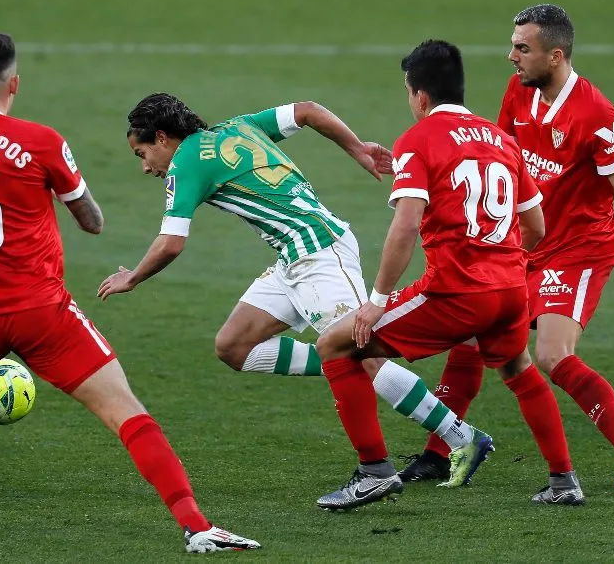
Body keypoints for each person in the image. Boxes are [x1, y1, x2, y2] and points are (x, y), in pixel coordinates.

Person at [0, 31, 259, 553]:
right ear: (14, 84)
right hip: (43, 313)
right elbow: (92, 221)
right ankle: (198, 527)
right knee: (125, 410)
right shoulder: (42, 140)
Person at [98, 93, 495, 496]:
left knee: (364, 357)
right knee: (234, 346)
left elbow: (170, 243)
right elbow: (306, 110)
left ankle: (459, 437)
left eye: (142, 153)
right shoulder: (237, 127)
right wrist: (356, 147)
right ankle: (340, 364)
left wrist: (132, 278)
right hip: (293, 258)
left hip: (319, 255)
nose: (146, 166)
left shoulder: (184, 163)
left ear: (162, 137)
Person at [403, 4, 614, 491]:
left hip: (578, 250)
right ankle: (436, 455)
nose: (511, 56)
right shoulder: (519, 91)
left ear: (556, 55)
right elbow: (501, 157)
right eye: (513, 45)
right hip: (525, 243)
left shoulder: (594, 114)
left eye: (522, 49)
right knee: (470, 331)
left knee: (551, 354)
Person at [314, 39, 586, 508]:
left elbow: (405, 224)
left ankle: (373, 472)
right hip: (509, 288)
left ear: (419, 95)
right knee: (519, 368)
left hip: (457, 290)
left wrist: (377, 299)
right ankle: (564, 481)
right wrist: (504, 263)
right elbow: (537, 226)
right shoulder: (501, 140)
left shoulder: (417, 140)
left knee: (336, 344)